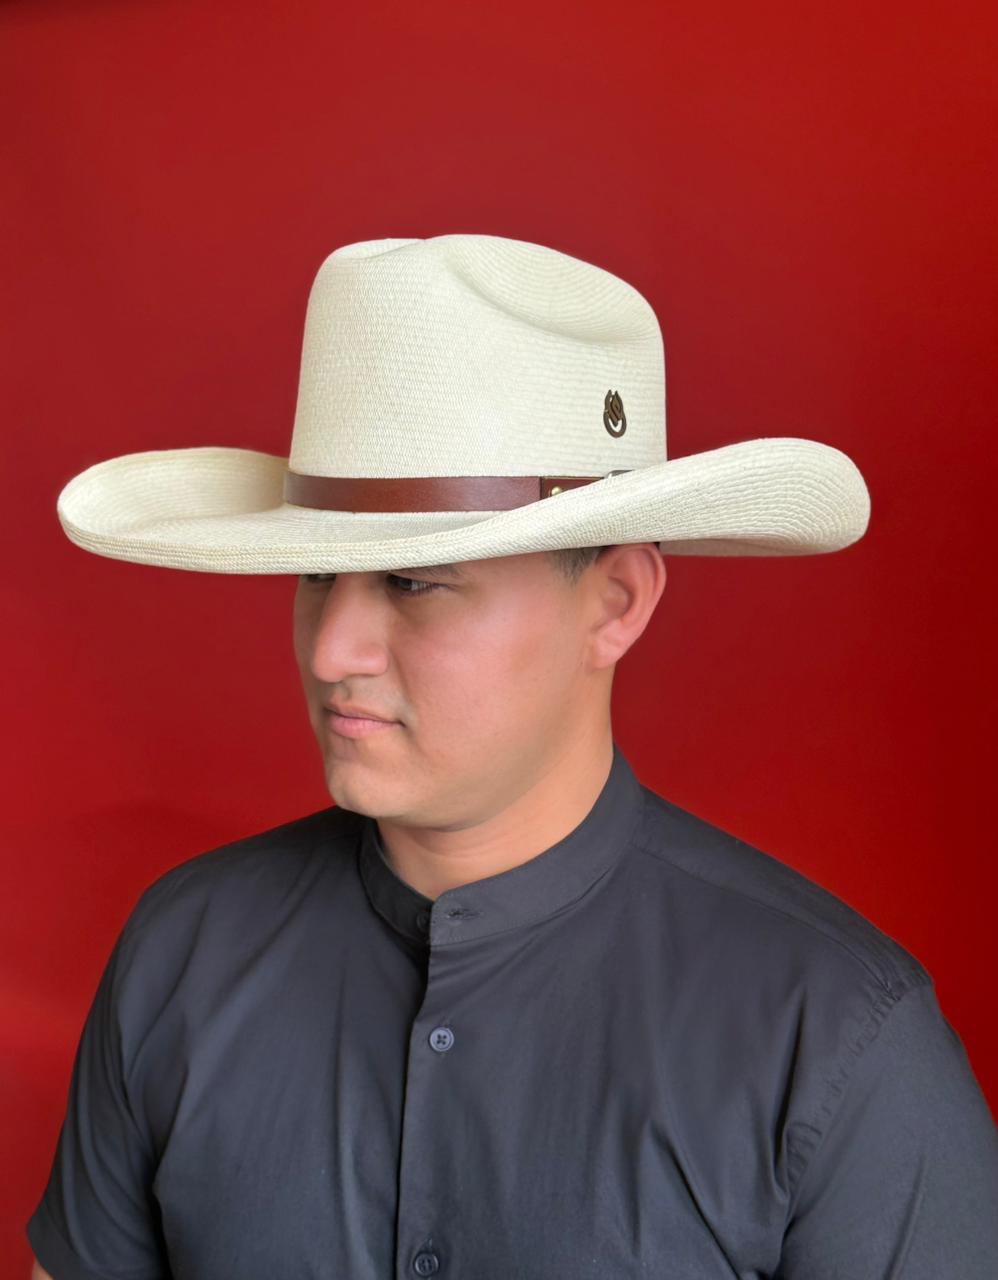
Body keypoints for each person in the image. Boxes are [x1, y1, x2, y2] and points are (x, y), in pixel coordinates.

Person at [28, 234, 997, 1279]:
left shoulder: (834, 1037)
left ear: (615, 599)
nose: (331, 650)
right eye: (315, 575)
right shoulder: (183, 954)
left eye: (415, 582)